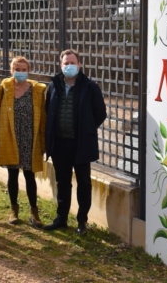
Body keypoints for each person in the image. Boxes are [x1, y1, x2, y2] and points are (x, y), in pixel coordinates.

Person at [44, 49, 107, 236]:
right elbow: (49, 109)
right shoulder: (54, 85)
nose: (69, 66)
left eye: (73, 63)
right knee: (63, 182)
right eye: (66, 63)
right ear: (60, 65)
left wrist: (87, 128)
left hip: (81, 145)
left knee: (84, 183)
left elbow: (100, 113)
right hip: (59, 144)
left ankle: (82, 220)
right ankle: (61, 218)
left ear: (79, 65)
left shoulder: (89, 87)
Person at [0, 56, 46, 227]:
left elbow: (43, 118)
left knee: (30, 175)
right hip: (9, 137)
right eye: (17, 69)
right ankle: (14, 210)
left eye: (23, 69)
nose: (20, 72)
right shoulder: (4, 88)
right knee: (12, 174)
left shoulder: (37, 90)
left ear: (28, 70)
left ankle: (34, 213)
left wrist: (43, 142)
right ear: (11, 69)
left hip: (30, 138)